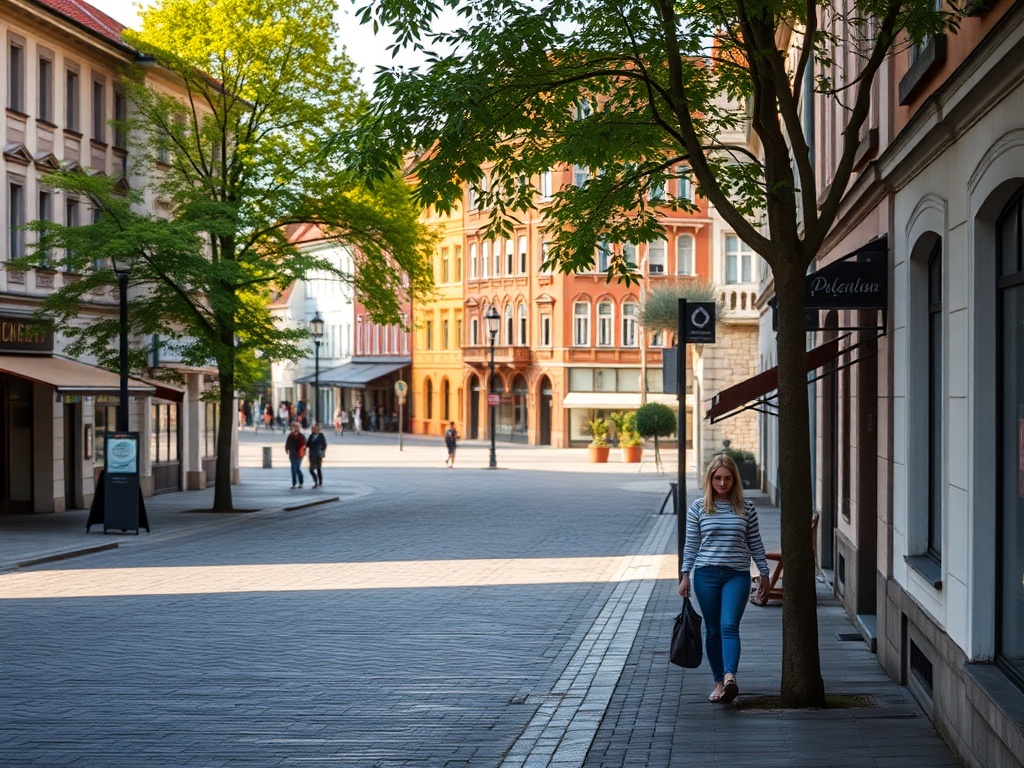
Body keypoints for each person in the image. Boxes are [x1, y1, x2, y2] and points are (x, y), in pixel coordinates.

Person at [678, 454, 770, 704]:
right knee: (712, 630)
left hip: (737, 576)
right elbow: (691, 545)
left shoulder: (746, 507)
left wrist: (764, 573)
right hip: (706, 575)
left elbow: (755, 543)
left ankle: (731, 677)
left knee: (729, 626)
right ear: (710, 479)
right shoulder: (699, 507)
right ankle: (718, 682)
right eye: (717, 478)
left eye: (727, 478)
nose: (722, 483)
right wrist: (685, 575)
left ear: (735, 480)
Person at [284, 422, 307, 489]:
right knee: (293, 469)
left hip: (299, 455)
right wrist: (287, 449)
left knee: (297, 469)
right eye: (294, 427)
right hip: (292, 454)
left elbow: (304, 445)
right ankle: (294, 483)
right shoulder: (291, 435)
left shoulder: (301, 436)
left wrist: (303, 453)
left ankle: (301, 481)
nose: (295, 428)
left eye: (297, 427)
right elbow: (287, 443)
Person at [306, 423, 327, 487]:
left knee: (318, 468)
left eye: (315, 429)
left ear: (318, 429)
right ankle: (315, 480)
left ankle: (320, 482)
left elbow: (324, 444)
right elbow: (307, 445)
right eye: (312, 429)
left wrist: (323, 452)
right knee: (311, 469)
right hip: (312, 455)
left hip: (319, 455)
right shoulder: (311, 436)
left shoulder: (321, 436)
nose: (313, 430)